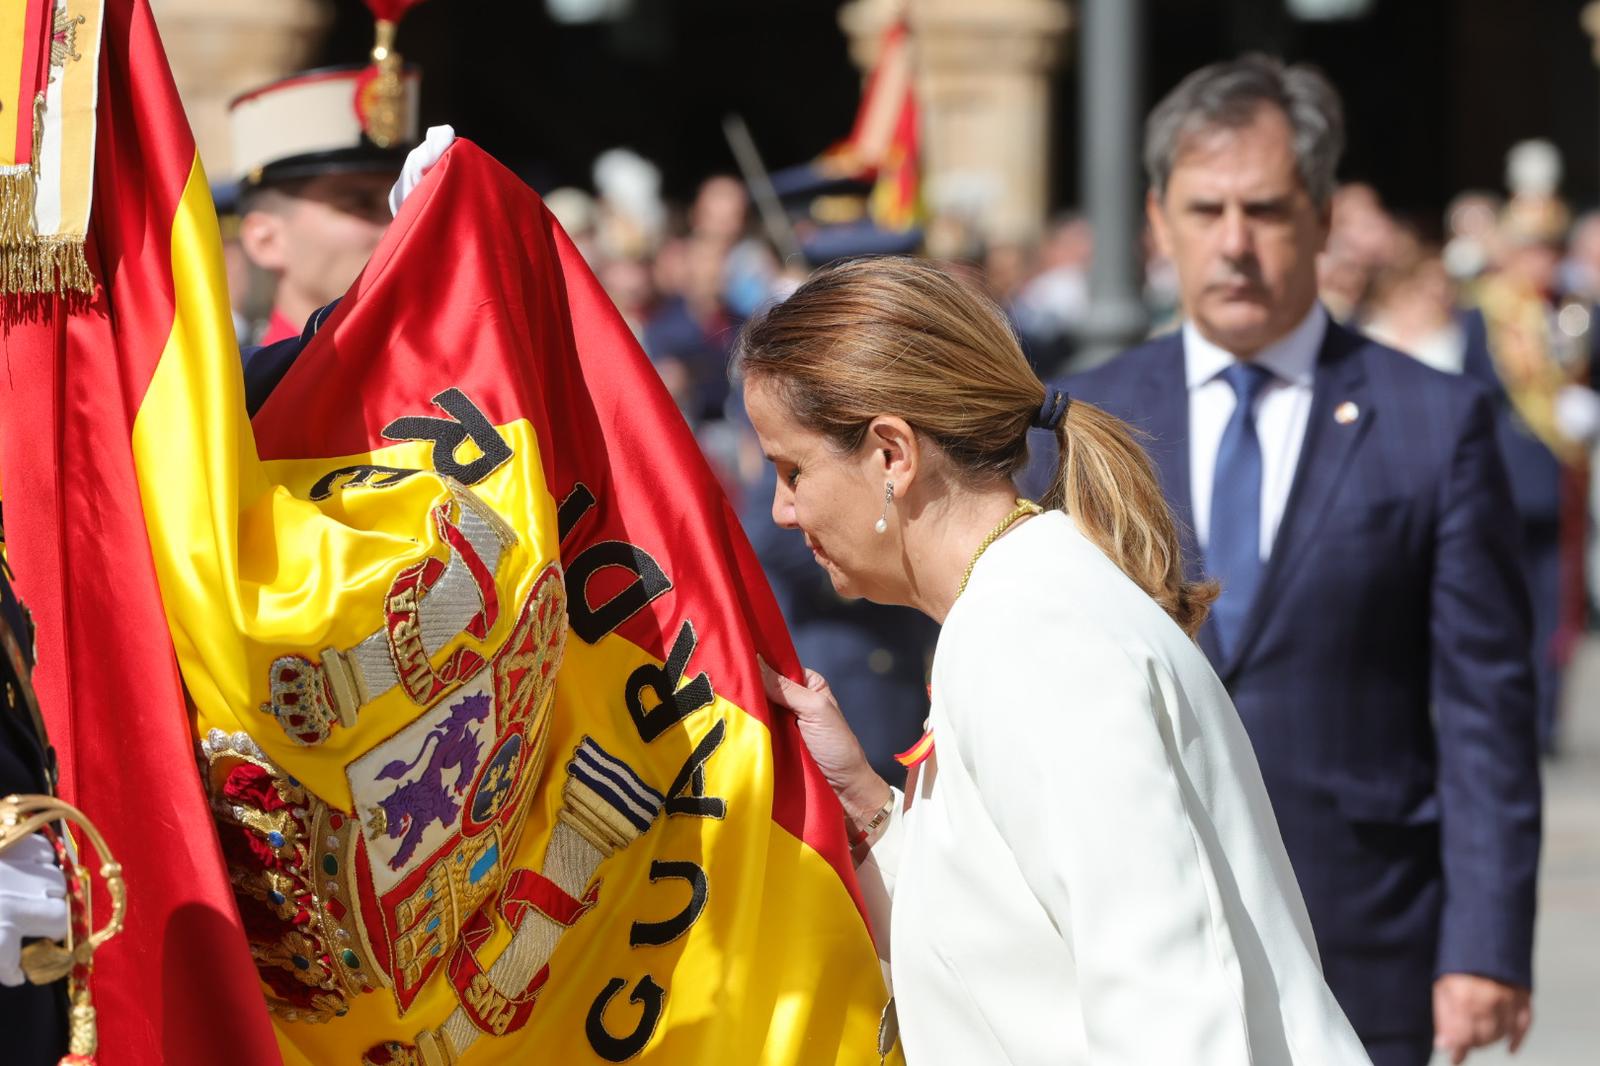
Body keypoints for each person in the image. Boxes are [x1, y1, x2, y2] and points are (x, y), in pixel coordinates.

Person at [740, 256, 1370, 1065]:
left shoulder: (1030, 627)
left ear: (892, 454)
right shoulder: (1014, 601)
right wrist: (863, 797)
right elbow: (1005, 941)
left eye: (794, 470)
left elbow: (1168, 996)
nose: (783, 511)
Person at [1064, 55, 1540, 1066]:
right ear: (1157, 223)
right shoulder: (1085, 421)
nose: (1233, 244)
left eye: (1265, 210)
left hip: (1364, 941)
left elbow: (1482, 712)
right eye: (1204, 210)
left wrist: (1484, 949)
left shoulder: (1433, 423)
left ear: (1322, 218)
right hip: (1132, 945)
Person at [230, 55, 423, 347]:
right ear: (265, 240)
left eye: (406, 204)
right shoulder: (243, 391)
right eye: (361, 205)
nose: (396, 230)